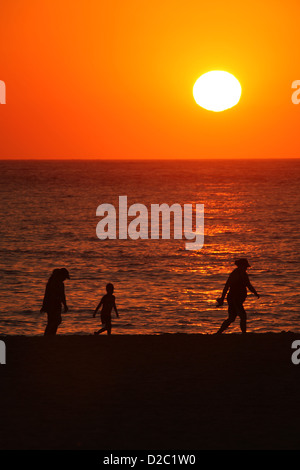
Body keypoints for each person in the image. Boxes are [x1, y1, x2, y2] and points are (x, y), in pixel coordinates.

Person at [215, 258, 260, 334]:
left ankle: (219, 333)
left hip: (237, 299)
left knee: (232, 318)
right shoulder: (235, 274)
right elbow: (227, 286)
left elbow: (248, 285)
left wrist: (255, 293)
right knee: (242, 316)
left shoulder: (244, 274)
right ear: (240, 266)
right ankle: (244, 334)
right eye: (245, 266)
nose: (246, 268)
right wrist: (222, 298)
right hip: (234, 299)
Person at [40, 268, 70, 336]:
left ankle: (50, 335)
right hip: (53, 305)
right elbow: (49, 295)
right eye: (64, 277)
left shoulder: (54, 283)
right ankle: (49, 335)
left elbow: (62, 295)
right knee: (55, 321)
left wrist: (65, 305)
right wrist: (64, 305)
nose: (65, 279)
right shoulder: (54, 283)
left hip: (53, 305)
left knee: (53, 321)